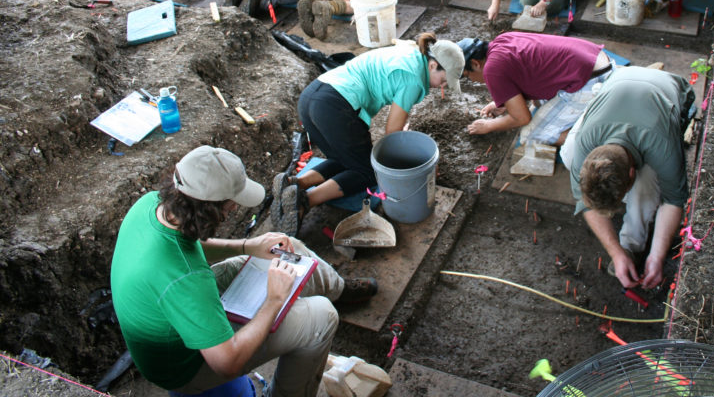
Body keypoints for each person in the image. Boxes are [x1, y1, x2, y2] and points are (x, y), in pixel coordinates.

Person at [110, 145, 377, 397]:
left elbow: (191, 245)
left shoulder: (152, 206)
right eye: (231, 203)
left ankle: (338, 290)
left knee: (287, 248)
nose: (235, 208)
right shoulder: (186, 278)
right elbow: (227, 364)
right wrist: (274, 300)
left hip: (172, 312)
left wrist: (249, 246)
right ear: (208, 208)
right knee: (321, 316)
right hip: (184, 367)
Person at [272, 33, 465, 234]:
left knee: (345, 159)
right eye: (443, 80)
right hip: (336, 106)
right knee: (368, 171)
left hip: (313, 95)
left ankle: (295, 183)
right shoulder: (414, 80)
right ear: (433, 65)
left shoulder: (413, 52)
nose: (442, 87)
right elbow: (392, 132)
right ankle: (305, 201)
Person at [560, 67, 695, 290]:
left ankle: (632, 245)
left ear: (631, 173)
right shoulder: (586, 142)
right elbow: (585, 202)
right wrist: (615, 253)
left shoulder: (661, 145)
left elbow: (674, 200)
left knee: (647, 191)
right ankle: (624, 254)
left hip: (666, 89)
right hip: (619, 83)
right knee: (568, 154)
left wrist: (656, 257)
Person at [458, 32, 613, 146]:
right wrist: (504, 102)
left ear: (476, 64)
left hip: (591, 81)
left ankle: (606, 139)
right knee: (537, 102)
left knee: (532, 135)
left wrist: (488, 125)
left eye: (466, 76)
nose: (471, 80)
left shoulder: (491, 69)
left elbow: (522, 118)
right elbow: (526, 74)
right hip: (597, 59)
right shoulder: (501, 41)